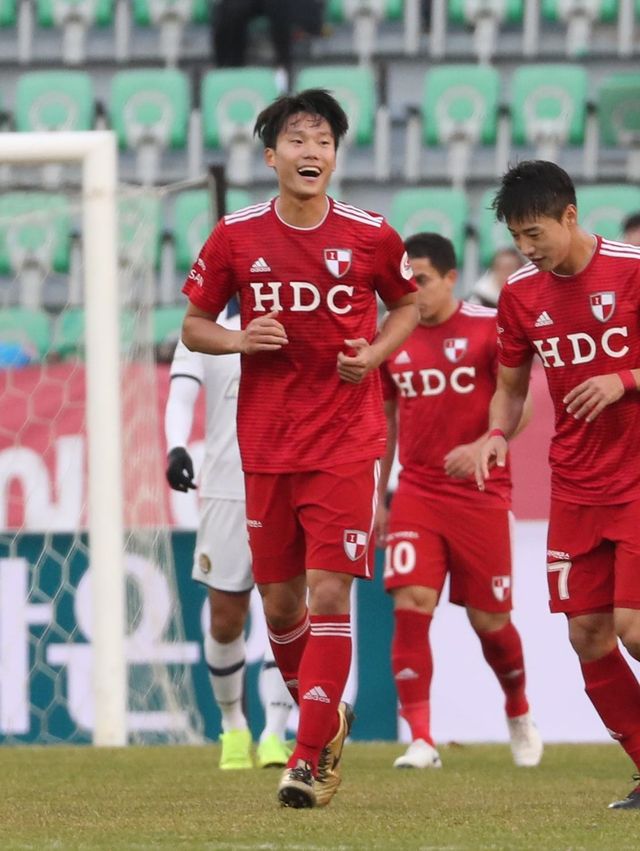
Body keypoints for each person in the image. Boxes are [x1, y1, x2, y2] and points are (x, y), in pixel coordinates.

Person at [179, 88, 419, 808]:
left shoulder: (372, 234)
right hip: (265, 445)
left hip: (346, 441)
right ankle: (326, 718)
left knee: (329, 590)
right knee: (281, 607)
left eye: (324, 142)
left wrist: (373, 353)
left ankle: (307, 757)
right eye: (297, 140)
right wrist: (238, 337)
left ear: (335, 157)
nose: (311, 152)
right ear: (271, 156)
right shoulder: (235, 235)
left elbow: (407, 304)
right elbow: (193, 326)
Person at [476, 160, 640, 810]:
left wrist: (624, 379)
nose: (527, 247)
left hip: (638, 478)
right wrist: (496, 433)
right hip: (574, 484)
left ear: (570, 216)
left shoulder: (631, 269)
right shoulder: (520, 295)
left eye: (535, 232)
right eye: (517, 236)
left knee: (634, 628)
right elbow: (510, 387)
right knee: (588, 636)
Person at [376, 232, 542, 771]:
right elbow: (386, 422)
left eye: (421, 280)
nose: (412, 291)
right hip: (418, 492)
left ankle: (518, 708)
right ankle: (421, 739)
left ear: (450, 278)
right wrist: (377, 496)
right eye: (405, 281)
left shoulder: (487, 327)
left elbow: (522, 404)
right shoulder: (391, 337)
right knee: (411, 606)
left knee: (489, 622)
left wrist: (484, 445)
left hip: (482, 494)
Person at [164, 302, 294, 771]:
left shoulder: (301, 320)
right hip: (226, 488)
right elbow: (181, 395)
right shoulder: (207, 329)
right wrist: (176, 446)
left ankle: (276, 732)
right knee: (225, 618)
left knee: (285, 611)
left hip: (288, 483)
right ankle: (233, 725)